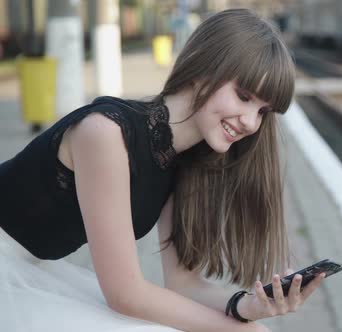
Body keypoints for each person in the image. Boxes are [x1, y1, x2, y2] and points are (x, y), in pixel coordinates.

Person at [0, 9, 325, 332]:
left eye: (263, 111)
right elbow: (125, 294)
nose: (251, 123)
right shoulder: (106, 133)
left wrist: (247, 306)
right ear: (203, 67)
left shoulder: (186, 160)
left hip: (28, 268)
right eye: (243, 97)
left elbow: (183, 285)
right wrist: (237, 329)